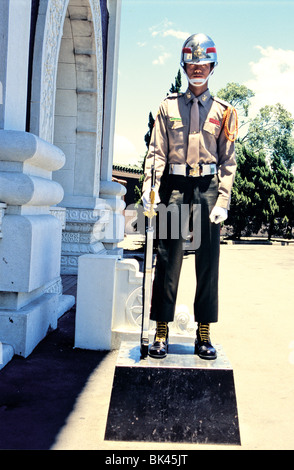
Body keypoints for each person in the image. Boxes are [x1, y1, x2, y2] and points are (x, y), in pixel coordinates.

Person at [142, 33, 238, 360]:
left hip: (208, 189)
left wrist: (223, 200)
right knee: (169, 259)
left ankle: (204, 331)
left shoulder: (224, 111)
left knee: (209, 261)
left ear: (212, 66)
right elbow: (156, 152)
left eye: (203, 64)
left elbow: (228, 159)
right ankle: (161, 329)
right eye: (192, 64)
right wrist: (150, 188)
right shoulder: (168, 107)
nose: (197, 70)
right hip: (176, 188)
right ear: (184, 66)